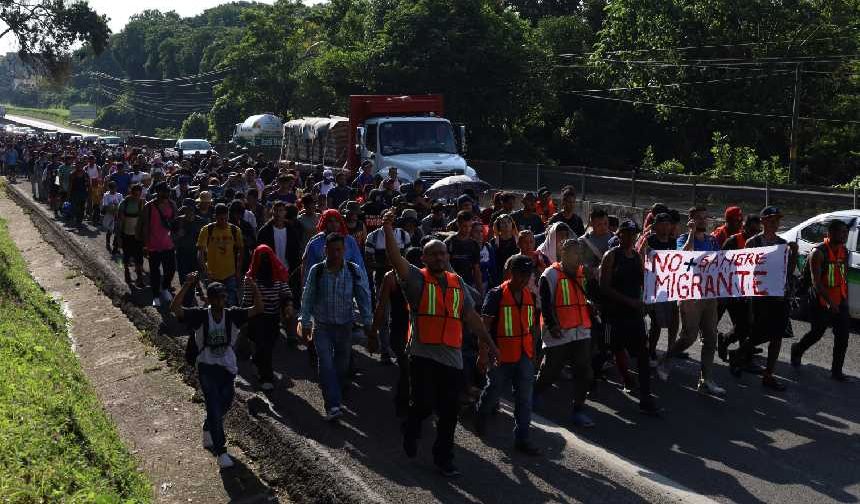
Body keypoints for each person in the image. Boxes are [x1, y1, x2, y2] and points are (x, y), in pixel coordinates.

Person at [381, 211, 497, 478]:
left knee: (449, 411)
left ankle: (444, 458)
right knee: (423, 404)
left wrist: (489, 343)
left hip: (452, 358)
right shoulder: (416, 279)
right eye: (434, 254)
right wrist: (388, 229)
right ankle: (412, 427)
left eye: (443, 254)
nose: (440, 258)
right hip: (422, 355)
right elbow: (396, 259)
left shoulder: (457, 284)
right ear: (423, 258)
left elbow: (472, 318)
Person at [170, 272, 263, 469]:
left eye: (223, 297)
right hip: (206, 367)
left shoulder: (233, 314)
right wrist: (186, 285)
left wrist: (253, 287)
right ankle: (221, 451)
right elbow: (175, 308)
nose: (221, 301)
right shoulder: (201, 315)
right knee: (213, 404)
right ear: (210, 299)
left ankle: (207, 427)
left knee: (225, 404)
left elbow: (258, 308)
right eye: (217, 297)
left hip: (227, 368)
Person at [299, 233, 373, 421]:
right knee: (325, 364)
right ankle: (332, 405)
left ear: (344, 251)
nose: (335, 254)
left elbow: (363, 298)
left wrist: (368, 324)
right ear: (325, 251)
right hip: (322, 327)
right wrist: (305, 321)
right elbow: (307, 298)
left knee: (341, 367)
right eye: (332, 250)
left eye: (339, 250)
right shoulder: (317, 271)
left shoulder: (353, 270)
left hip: (345, 326)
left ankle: (336, 395)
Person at [474, 255, 541, 455]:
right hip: (500, 356)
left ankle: (522, 439)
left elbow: (532, 327)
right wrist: (483, 354)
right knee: (493, 390)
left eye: (527, 275)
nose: (524, 279)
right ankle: (481, 414)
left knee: (524, 399)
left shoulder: (530, 295)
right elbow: (484, 327)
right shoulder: (496, 295)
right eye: (521, 274)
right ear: (512, 273)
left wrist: (534, 353)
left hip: (524, 355)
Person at [658, 206, 725, 397]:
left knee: (711, 337)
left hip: (709, 295)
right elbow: (684, 256)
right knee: (689, 336)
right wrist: (691, 233)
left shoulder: (712, 240)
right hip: (690, 295)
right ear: (691, 220)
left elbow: (720, 263)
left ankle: (706, 380)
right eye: (699, 218)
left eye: (705, 218)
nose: (703, 221)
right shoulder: (682, 239)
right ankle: (666, 358)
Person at [732, 207, 797, 391]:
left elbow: (788, 272)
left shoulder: (783, 244)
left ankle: (768, 374)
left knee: (777, 336)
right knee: (758, 334)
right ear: (763, 222)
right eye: (771, 219)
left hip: (778, 296)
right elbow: (746, 269)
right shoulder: (753, 242)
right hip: (760, 297)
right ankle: (738, 355)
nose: (775, 223)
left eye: (777, 219)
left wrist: (794, 254)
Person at [533, 239, 595, 427]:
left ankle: (578, 409)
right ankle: (535, 392)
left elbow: (589, 295)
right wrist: (552, 325)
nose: (579, 257)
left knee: (584, 371)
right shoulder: (550, 274)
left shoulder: (582, 273)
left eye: (580, 254)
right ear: (564, 253)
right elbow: (544, 302)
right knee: (551, 370)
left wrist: (591, 303)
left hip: (581, 331)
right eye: (575, 253)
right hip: (559, 333)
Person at [600, 220, 659, 414]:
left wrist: (647, 298)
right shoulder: (611, 256)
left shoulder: (636, 257)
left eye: (634, 235)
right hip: (614, 315)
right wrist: (628, 301)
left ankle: (646, 397)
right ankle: (620, 378)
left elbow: (643, 282)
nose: (631, 238)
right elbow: (604, 287)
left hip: (634, 315)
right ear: (620, 235)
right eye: (627, 234)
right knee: (612, 350)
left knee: (642, 355)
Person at [792, 219, 852, 382]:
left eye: (846, 232)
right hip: (820, 301)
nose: (845, 235)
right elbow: (816, 283)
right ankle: (797, 349)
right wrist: (830, 303)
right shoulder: (818, 253)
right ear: (830, 233)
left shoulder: (844, 252)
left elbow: (843, 278)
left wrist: (843, 299)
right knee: (817, 333)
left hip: (840, 300)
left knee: (843, 336)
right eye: (841, 232)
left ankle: (836, 371)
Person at [242, 245, 294, 391]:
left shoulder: (278, 275)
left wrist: (288, 305)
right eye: (261, 258)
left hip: (273, 318)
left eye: (267, 257)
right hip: (257, 318)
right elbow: (246, 301)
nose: (264, 261)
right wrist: (244, 319)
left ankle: (257, 362)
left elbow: (285, 292)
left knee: (268, 346)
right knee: (263, 346)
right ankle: (266, 378)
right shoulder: (250, 278)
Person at [717, 215, 762, 363]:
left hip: (749, 290)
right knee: (745, 325)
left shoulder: (759, 243)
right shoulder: (733, 241)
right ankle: (745, 360)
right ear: (745, 227)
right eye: (752, 230)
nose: (754, 233)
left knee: (745, 325)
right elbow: (721, 264)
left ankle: (725, 341)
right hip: (732, 290)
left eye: (757, 230)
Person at [642, 212, 681, 363]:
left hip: (668, 288)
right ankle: (650, 351)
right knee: (656, 323)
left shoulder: (674, 242)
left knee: (670, 321)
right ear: (655, 226)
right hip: (651, 288)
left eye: (667, 224)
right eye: (662, 224)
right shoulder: (649, 241)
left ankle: (670, 349)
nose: (665, 227)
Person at [138, 182, 178, 307]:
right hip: (153, 245)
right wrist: (145, 245)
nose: (167, 193)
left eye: (167, 191)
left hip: (168, 245)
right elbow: (145, 227)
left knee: (170, 270)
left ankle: (165, 288)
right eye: (164, 191)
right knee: (155, 272)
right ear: (158, 192)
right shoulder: (149, 207)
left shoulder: (172, 204)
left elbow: (175, 223)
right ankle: (155, 296)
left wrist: (176, 239)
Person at [197, 203, 245, 306]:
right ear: (215, 216)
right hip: (212, 274)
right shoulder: (207, 230)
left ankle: (230, 321)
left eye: (225, 218)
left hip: (230, 274)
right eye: (220, 219)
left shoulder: (235, 230)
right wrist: (205, 271)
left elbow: (241, 251)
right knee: (214, 303)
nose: (223, 221)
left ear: (228, 216)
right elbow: (200, 252)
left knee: (231, 302)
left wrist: (238, 270)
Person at [444, 211, 483, 295]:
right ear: (458, 224)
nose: (467, 229)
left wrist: (480, 292)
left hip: (468, 285)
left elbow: (476, 270)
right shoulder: (448, 243)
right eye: (464, 226)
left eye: (470, 226)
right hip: (450, 285)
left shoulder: (473, 244)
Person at [118, 184, 146, 286]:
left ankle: (139, 277)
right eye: (135, 194)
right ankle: (126, 271)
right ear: (131, 193)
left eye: (138, 194)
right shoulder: (124, 203)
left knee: (139, 256)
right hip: (126, 234)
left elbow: (145, 220)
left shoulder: (142, 203)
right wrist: (118, 237)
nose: (136, 196)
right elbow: (120, 221)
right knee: (126, 255)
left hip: (138, 235)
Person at [489, 214, 519, 284]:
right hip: (499, 275)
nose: (506, 224)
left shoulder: (517, 239)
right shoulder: (494, 241)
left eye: (509, 222)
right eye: (503, 222)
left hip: (515, 273)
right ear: (498, 226)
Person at [100, 180, 123, 254]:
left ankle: (116, 247)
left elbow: (121, 205)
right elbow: (106, 206)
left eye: (114, 187)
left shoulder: (119, 195)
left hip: (117, 215)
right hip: (110, 215)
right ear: (109, 188)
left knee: (117, 232)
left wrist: (117, 211)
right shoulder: (106, 195)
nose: (113, 189)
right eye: (112, 187)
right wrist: (113, 210)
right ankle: (107, 242)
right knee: (110, 231)